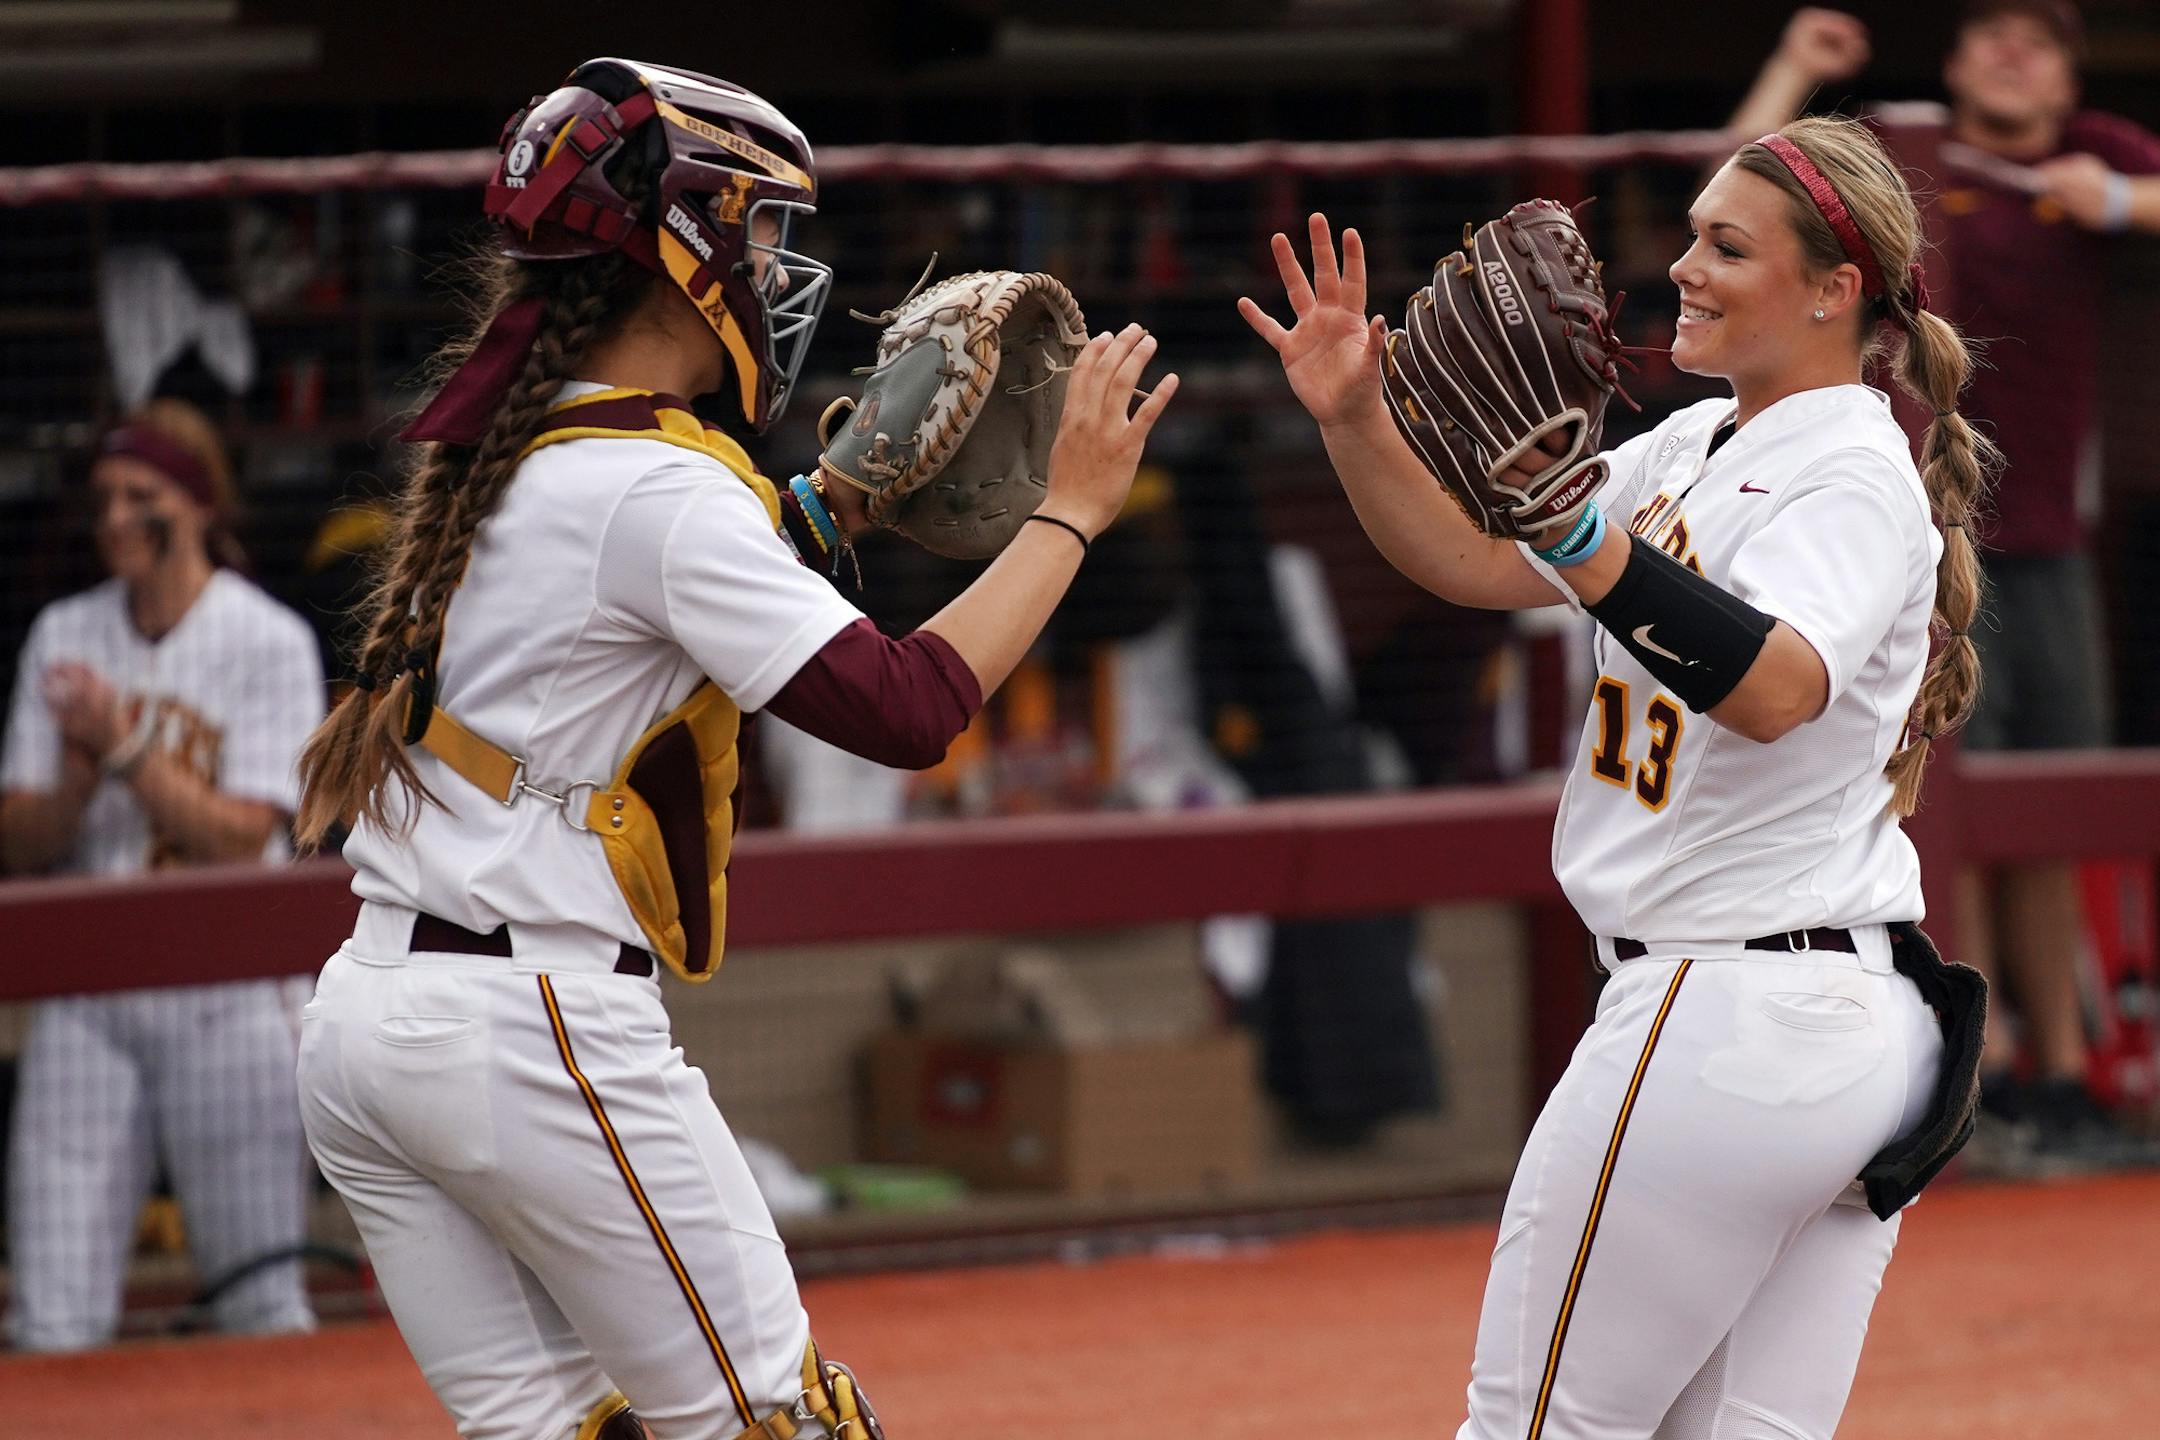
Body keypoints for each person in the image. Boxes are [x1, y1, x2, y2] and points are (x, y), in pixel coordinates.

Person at [290, 59, 1172, 1440]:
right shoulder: (659, 484)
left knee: (561, 1432)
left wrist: (834, 503)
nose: (774, 267)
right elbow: (904, 707)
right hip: (532, 1029)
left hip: (364, 1026)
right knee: (780, 1422)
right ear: (680, 250)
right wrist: (1070, 513)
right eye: (756, 230)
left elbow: (658, 590)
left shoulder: (515, 447)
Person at [1242, 114, 1982, 1438]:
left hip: (1724, 1012)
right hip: (1807, 1019)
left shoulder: (1851, 469)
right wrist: (1356, 415)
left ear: (1834, 288)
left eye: (1726, 246)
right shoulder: (1693, 444)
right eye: (1692, 235)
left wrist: (1588, 540)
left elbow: (1774, 688)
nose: (1682, 266)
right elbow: (1477, 566)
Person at [1732, 0, 2160, 1168]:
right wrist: (1797, 64)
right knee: (1908, 810)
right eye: (1991, 34)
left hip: (2042, 546)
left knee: (2045, 811)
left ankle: (2057, 1079)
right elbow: (1737, 189)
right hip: (1892, 537)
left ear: (2070, 75)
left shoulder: (2101, 156)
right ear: (1956, 60)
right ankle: (1939, 1090)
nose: (2012, 53)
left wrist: (2111, 201)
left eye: (2041, 39)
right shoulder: (1901, 165)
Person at [0, 397, 322, 1351]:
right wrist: (76, 777)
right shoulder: (65, 632)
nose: (114, 518)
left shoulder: (268, 639)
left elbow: (241, 836)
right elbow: (20, 839)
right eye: (103, 497)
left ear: (195, 506)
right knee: (53, 1315)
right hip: (93, 987)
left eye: (139, 496)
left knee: (260, 1298)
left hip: (227, 990)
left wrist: (127, 745)